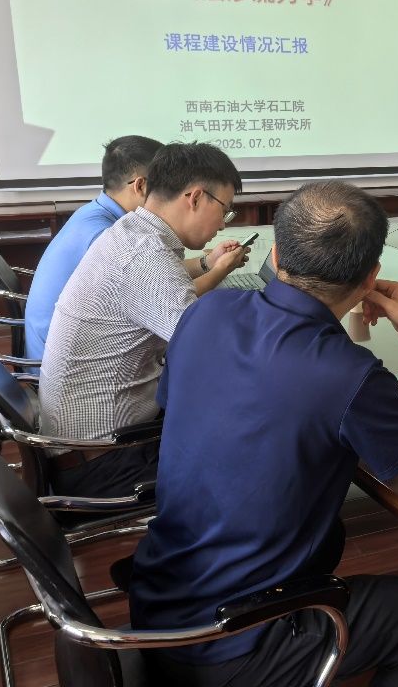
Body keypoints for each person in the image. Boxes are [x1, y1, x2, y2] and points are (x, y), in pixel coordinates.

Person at [129, 180, 398, 687]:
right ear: (370, 278)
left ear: (275, 256)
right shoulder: (346, 373)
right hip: (234, 639)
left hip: (160, 601)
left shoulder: (205, 312)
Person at [39, 142, 246, 497]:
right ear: (195, 197)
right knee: (251, 457)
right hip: (105, 461)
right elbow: (213, 355)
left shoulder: (132, 233)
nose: (223, 223)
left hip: (91, 442)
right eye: (225, 210)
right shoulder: (145, 257)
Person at [24, 136, 164, 362]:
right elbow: (157, 296)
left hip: (59, 349)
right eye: (167, 187)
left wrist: (206, 263)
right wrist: (215, 270)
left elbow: (152, 276)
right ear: (140, 186)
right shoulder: (103, 235)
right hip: (62, 364)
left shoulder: (94, 213)